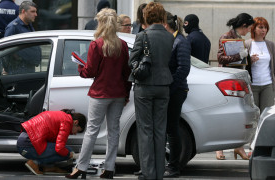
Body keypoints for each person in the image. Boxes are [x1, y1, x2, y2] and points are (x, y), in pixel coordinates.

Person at [66, 8, 131, 179]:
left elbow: (90, 72)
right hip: (118, 93)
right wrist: (126, 94)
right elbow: (127, 73)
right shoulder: (122, 45)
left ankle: (82, 167)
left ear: (101, 23)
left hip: (100, 93)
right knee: (113, 131)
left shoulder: (97, 44)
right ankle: (109, 168)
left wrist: (80, 66)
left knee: (92, 131)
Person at [128, 2, 174, 179]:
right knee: (160, 130)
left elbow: (131, 61)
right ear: (162, 17)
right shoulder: (170, 37)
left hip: (145, 87)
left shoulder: (142, 35)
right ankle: (160, 173)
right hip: (163, 86)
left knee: (145, 130)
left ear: (146, 17)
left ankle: (149, 173)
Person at [216, 13, 255, 160]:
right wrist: (240, 55)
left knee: (238, 115)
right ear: (244, 26)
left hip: (236, 80)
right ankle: (219, 149)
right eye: (248, 28)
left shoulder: (238, 38)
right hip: (226, 80)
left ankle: (238, 147)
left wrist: (246, 57)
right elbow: (220, 58)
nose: (248, 31)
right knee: (222, 113)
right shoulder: (226, 36)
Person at [17, 109, 86, 175]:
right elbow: (60, 148)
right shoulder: (67, 122)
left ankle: (48, 167)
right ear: (75, 122)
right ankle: (34, 163)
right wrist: (73, 155)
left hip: (24, 143)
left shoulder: (62, 116)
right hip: (27, 145)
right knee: (68, 151)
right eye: (77, 130)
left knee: (61, 149)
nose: (75, 133)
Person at [163, 12, 191, 178]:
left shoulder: (180, 41)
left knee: (172, 129)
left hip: (177, 90)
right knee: (169, 129)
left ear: (166, 25)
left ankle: (174, 167)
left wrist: (170, 87)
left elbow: (183, 68)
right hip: (173, 88)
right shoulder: (174, 40)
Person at [245, 17, 275, 113]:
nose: (264, 30)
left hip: (268, 85)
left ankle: (266, 129)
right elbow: (241, 65)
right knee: (254, 114)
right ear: (254, 28)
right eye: (261, 27)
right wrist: (250, 61)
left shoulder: (270, 45)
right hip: (252, 85)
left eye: (265, 28)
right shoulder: (247, 44)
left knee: (267, 114)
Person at [3, 1, 41, 74]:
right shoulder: (13, 27)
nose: (35, 14)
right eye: (32, 11)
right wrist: (7, 69)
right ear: (23, 11)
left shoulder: (29, 25)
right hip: (18, 70)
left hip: (29, 67)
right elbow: (5, 50)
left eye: (35, 12)